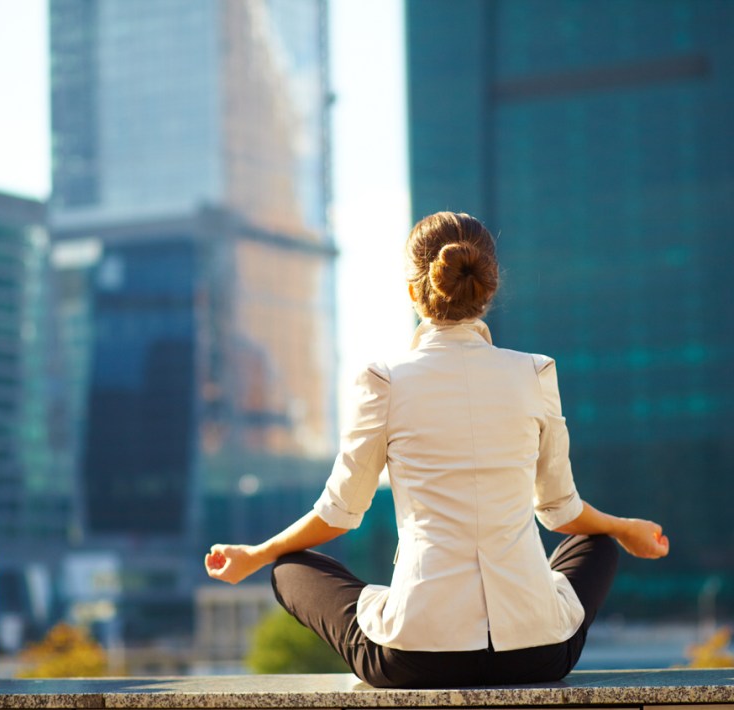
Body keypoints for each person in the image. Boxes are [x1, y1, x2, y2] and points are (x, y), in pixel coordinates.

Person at [204, 211, 669, 688]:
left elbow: (339, 514)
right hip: (539, 655)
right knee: (598, 541)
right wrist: (624, 528)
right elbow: (560, 511)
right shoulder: (535, 373)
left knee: (289, 567)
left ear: (413, 291)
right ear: (488, 290)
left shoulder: (383, 381)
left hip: (417, 659)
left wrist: (257, 554)